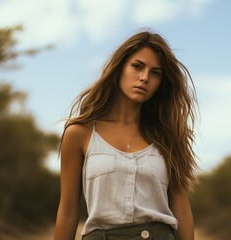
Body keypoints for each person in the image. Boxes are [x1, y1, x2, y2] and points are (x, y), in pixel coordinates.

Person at [54, 30, 198, 240]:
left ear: (160, 83)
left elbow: (182, 208)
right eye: (137, 66)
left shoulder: (167, 136)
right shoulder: (79, 133)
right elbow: (67, 211)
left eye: (155, 73)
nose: (144, 78)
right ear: (119, 68)